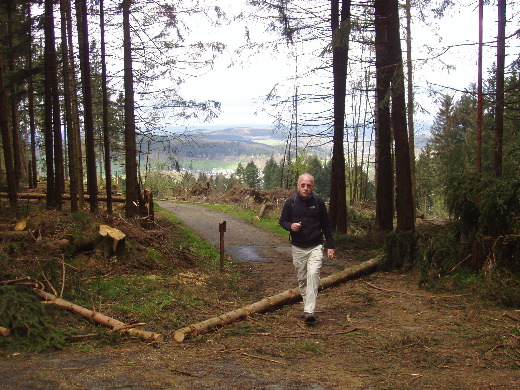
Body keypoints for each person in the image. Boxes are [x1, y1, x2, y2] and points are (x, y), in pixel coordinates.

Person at [279, 173, 335, 323]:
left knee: (313, 274)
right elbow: (282, 221)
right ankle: (307, 305)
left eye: (309, 185)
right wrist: (290, 226)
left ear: (313, 187)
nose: (306, 188)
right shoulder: (290, 202)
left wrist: (331, 245)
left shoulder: (319, 202)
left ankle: (309, 310)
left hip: (316, 245)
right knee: (303, 279)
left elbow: (326, 225)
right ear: (298, 186)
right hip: (298, 247)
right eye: (303, 185)